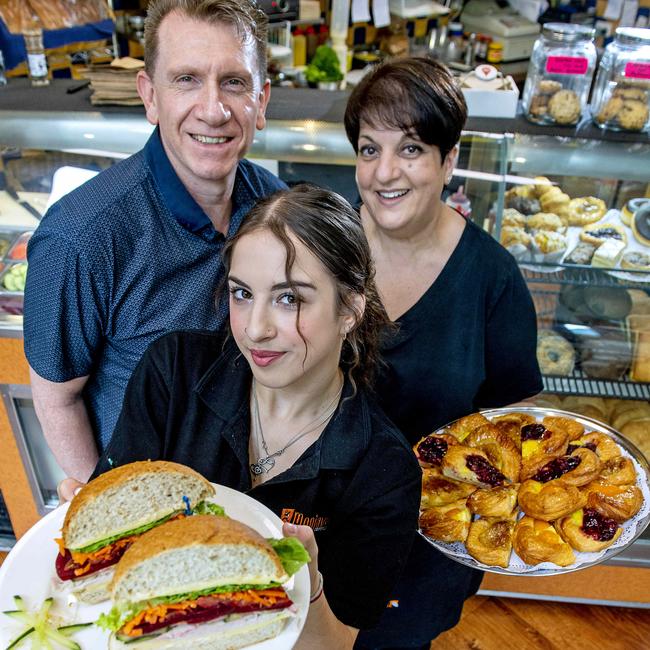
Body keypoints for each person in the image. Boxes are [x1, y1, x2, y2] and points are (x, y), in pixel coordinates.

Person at [59, 184, 422, 649]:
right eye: (242, 293)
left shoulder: (385, 469)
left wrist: (309, 585)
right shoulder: (173, 371)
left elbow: (336, 643)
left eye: (289, 298)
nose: (255, 328)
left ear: (350, 309)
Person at [23, 0, 285, 483]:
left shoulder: (276, 205)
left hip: (256, 492)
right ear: (150, 96)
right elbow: (57, 398)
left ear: (261, 101)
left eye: (234, 82)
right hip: (147, 498)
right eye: (186, 79)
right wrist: (109, 504)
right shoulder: (80, 236)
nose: (214, 110)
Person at [344, 57, 543, 649]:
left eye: (410, 149)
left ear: (448, 160)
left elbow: (515, 425)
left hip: (427, 547)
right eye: (368, 148)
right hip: (313, 531)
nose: (384, 173)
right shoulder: (321, 248)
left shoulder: (491, 277)